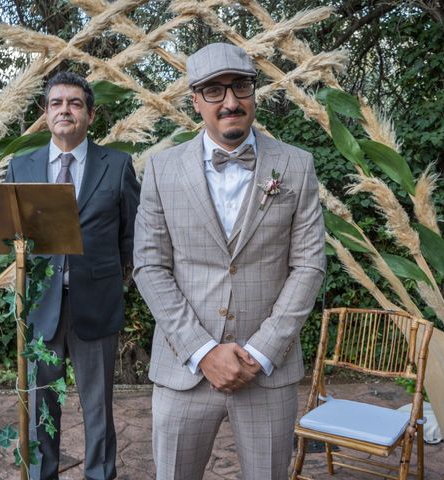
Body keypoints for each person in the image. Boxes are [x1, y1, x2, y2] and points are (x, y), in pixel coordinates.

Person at [133, 43, 326, 480]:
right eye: (214, 91)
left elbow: (309, 265)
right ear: (195, 100)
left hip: (266, 372)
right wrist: (203, 352)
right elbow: (149, 265)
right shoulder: (162, 170)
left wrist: (261, 352)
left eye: (240, 86)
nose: (231, 102)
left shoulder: (296, 166)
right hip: (185, 370)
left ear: (254, 92)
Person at [6, 71, 140, 480]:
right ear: (45, 113)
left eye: (75, 103)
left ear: (90, 115)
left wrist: (111, 281)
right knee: (42, 404)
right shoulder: (20, 166)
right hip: (41, 307)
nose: (65, 110)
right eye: (56, 103)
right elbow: (11, 237)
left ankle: (100, 474)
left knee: (97, 406)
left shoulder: (117, 166)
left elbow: (131, 237)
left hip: (96, 305)